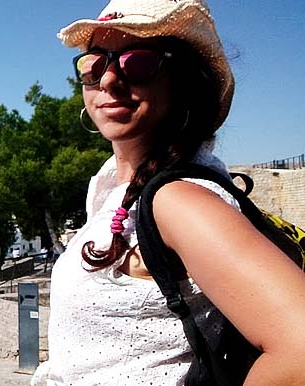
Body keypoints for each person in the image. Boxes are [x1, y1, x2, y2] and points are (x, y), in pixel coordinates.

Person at [33, 0, 305, 384]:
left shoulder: (179, 200)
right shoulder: (113, 186)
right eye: (95, 64)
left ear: (184, 82)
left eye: (138, 63)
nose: (109, 79)